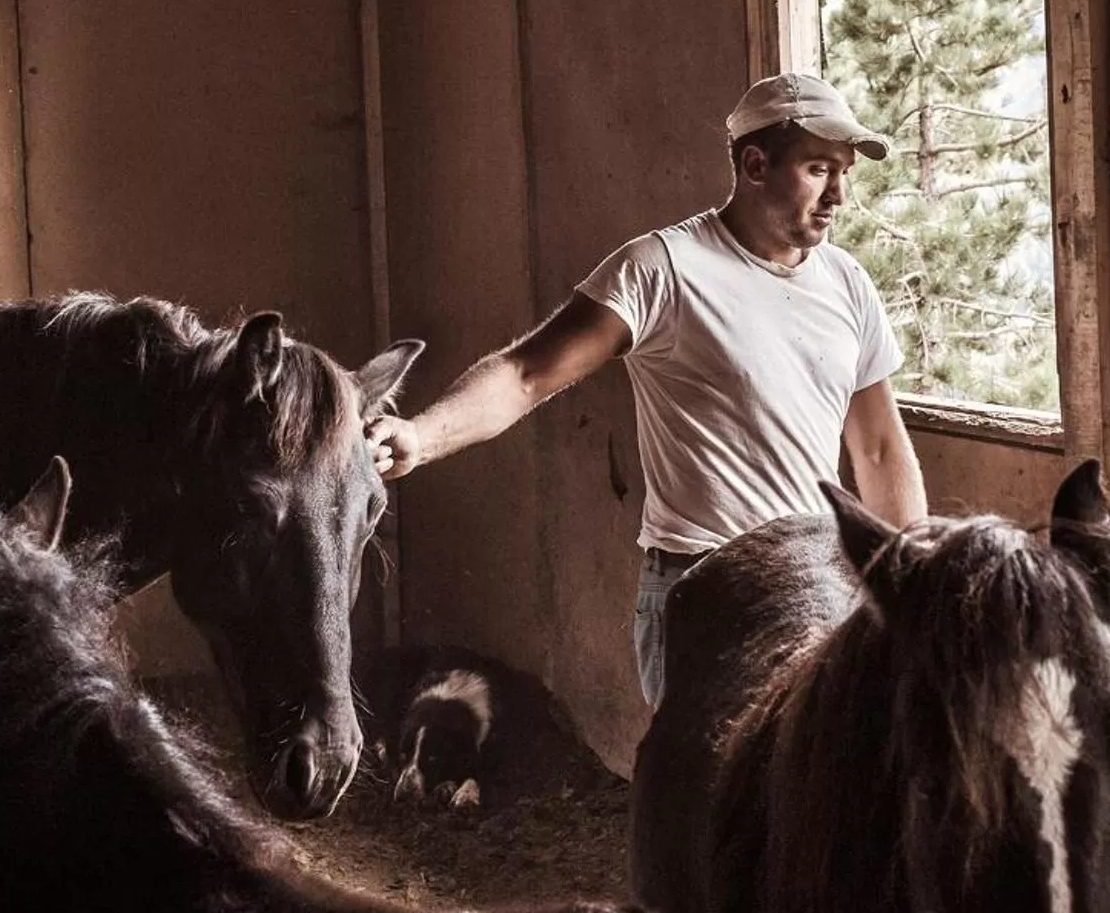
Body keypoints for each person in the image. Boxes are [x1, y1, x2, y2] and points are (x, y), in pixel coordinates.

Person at [367, 72, 927, 708]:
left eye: (844, 173)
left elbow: (879, 447)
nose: (839, 195)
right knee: (714, 777)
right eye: (819, 169)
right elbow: (526, 373)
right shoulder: (663, 268)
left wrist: (912, 586)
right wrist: (420, 436)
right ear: (755, 165)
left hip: (815, 582)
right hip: (705, 589)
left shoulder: (848, 283)